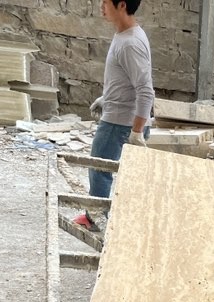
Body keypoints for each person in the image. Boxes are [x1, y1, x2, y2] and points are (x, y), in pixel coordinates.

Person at [74, 0, 154, 230]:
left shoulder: (130, 43)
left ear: (121, 5)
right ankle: (114, 222)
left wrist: (137, 131)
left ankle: (96, 220)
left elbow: (145, 90)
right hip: (121, 117)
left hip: (120, 123)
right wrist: (106, 98)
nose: (101, 6)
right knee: (117, 173)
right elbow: (126, 80)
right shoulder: (127, 34)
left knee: (100, 170)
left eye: (105, 2)